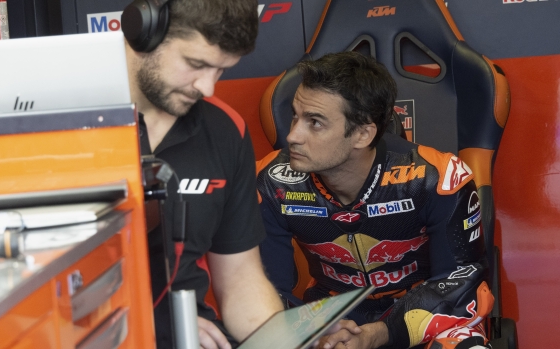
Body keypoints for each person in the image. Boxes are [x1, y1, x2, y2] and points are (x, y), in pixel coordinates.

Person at [256, 51, 494, 349]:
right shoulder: (270, 183)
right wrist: (313, 336)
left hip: (421, 314)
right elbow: (265, 291)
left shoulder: (436, 178)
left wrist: (380, 333)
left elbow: (460, 281)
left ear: (362, 134)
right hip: (326, 321)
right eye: (295, 116)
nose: (292, 136)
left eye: (314, 122)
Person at [123, 0, 283, 348]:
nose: (207, 88)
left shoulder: (226, 130)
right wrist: (152, 321)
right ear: (144, 32)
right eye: (196, 64)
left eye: (221, 70)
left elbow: (240, 275)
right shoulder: (58, 125)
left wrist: (285, 340)